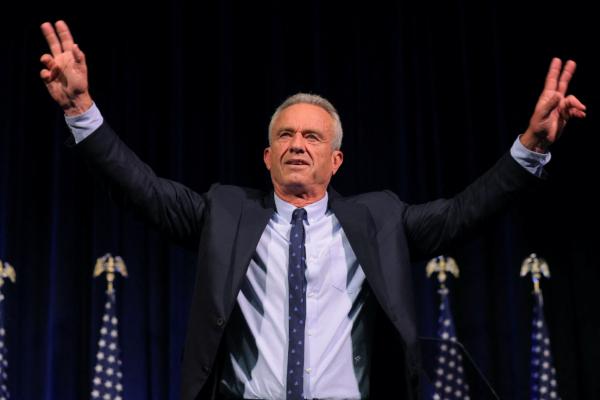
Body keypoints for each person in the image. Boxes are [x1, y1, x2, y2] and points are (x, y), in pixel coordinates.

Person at [40, 20, 585, 400]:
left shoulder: (380, 219)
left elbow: (468, 211)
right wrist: (82, 110)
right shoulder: (224, 213)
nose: (298, 143)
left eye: (312, 137)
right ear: (268, 155)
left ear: (336, 159)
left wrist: (531, 147)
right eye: (286, 135)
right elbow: (143, 188)